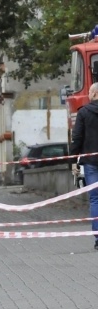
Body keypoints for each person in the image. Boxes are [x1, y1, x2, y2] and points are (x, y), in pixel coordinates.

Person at [69, 82, 98, 250]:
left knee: (95, 199)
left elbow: (77, 138)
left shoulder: (84, 113)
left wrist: (74, 161)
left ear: (93, 94)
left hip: (91, 163)